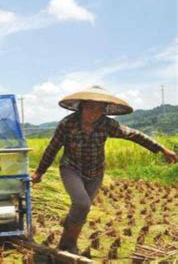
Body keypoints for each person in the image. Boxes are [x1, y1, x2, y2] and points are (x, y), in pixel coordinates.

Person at [31, 86, 177, 254]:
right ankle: (67, 245)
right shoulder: (67, 124)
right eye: (90, 108)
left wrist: (162, 149)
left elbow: (135, 135)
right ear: (82, 106)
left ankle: (69, 228)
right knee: (82, 204)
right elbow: (52, 148)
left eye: (99, 109)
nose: (94, 113)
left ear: (104, 111)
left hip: (96, 172)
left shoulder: (107, 124)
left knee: (81, 210)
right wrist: (40, 172)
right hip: (71, 168)